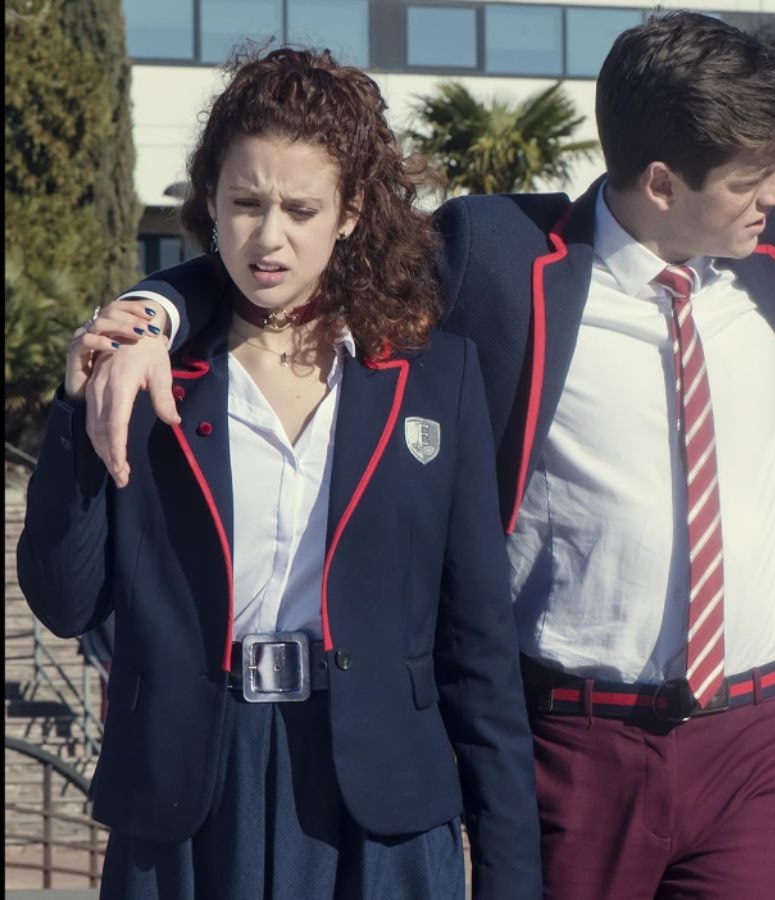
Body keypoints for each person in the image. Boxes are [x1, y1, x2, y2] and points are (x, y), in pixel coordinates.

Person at [76, 15, 775, 899]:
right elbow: (294, 252)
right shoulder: (502, 263)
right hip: (577, 750)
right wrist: (150, 308)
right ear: (664, 180)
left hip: (759, 742)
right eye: (754, 179)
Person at [18, 48, 540, 899]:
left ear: (350, 211)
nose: (269, 238)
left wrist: (512, 874)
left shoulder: (436, 376)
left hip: (382, 805)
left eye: (301, 208)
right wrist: (81, 402)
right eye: (245, 203)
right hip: (188, 790)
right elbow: (65, 600)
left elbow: (478, 645)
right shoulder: (149, 373)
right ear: (210, 206)